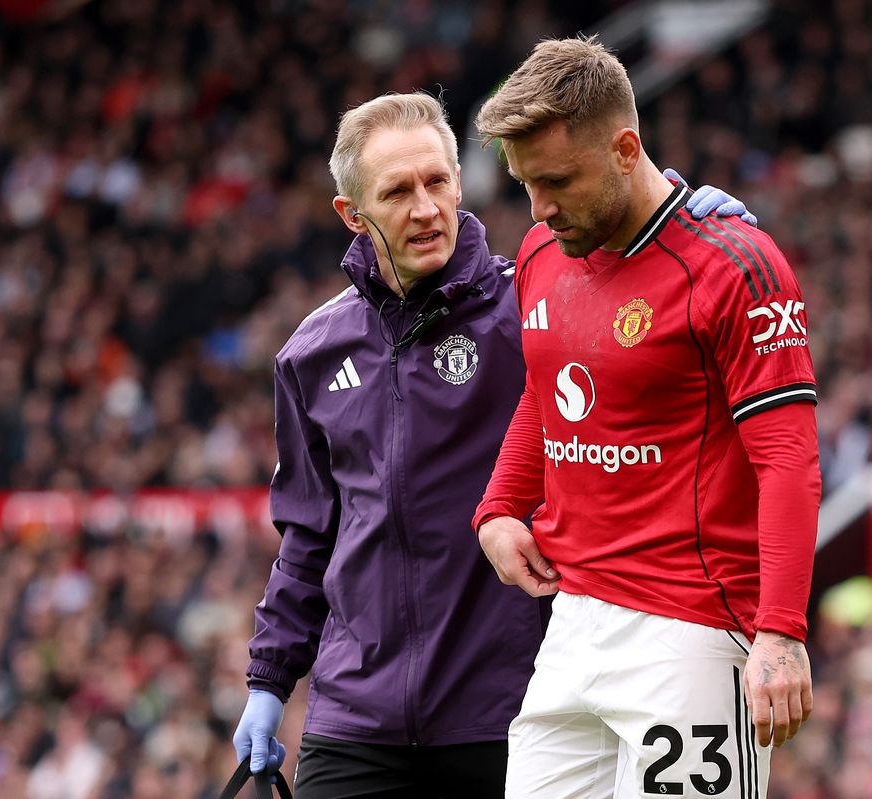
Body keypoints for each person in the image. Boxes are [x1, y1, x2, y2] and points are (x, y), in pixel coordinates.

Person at [231, 91, 755, 798]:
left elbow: (632, 278)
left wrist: (683, 226)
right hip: (356, 720)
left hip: (508, 713)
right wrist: (269, 680)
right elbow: (307, 538)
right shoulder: (311, 353)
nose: (425, 208)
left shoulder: (531, 307)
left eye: (437, 182)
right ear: (351, 215)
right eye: (397, 191)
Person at [472, 36, 822, 799]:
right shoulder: (539, 250)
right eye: (527, 184)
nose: (541, 207)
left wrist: (783, 631)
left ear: (626, 147)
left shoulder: (735, 267)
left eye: (558, 180)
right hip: (572, 624)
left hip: (692, 634)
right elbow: (549, 384)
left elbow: (788, 460)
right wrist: (500, 506)